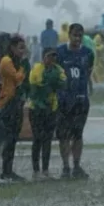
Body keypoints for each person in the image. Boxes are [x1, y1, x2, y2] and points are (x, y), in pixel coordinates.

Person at [56, 23, 94, 179]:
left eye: (80, 36)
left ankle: (77, 166)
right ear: (69, 35)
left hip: (81, 100)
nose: (77, 39)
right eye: (74, 35)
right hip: (64, 100)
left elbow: (88, 71)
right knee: (64, 135)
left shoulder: (88, 53)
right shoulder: (60, 52)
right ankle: (65, 167)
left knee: (78, 135)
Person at [28, 47, 66, 180]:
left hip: (52, 108)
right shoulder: (37, 69)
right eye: (50, 56)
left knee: (47, 140)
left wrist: (56, 81)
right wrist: (50, 82)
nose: (52, 59)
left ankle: (45, 169)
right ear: (44, 57)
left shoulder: (58, 69)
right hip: (36, 109)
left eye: (54, 56)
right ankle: (36, 170)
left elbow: (63, 82)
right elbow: (35, 88)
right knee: (37, 139)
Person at [0, 35, 30, 181]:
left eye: (24, 48)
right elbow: (17, 78)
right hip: (8, 103)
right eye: (20, 48)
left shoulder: (15, 62)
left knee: (14, 137)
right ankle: (6, 171)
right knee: (9, 138)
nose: (23, 51)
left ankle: (9, 170)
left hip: (16, 102)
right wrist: (24, 66)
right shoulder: (6, 61)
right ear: (12, 48)